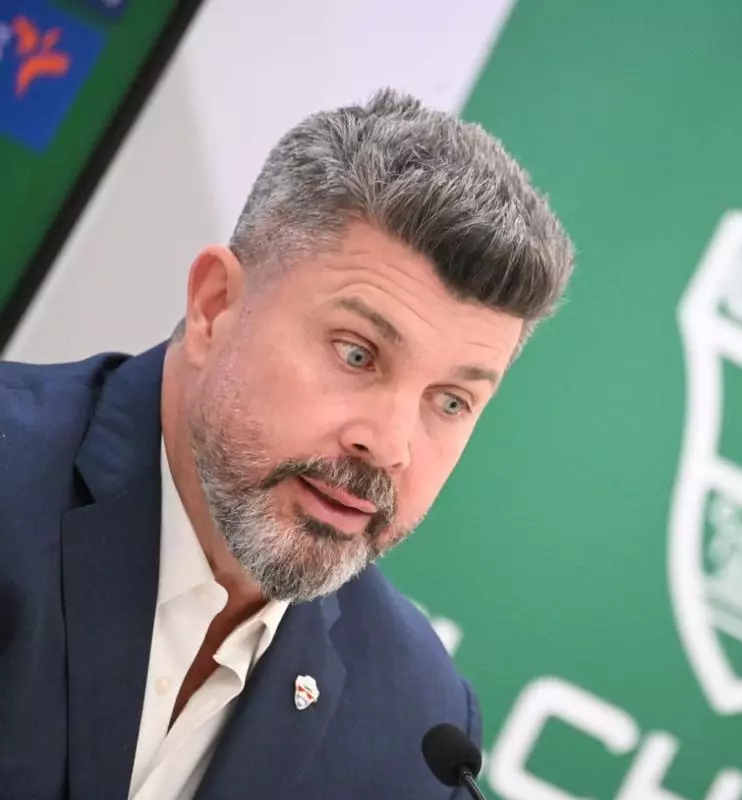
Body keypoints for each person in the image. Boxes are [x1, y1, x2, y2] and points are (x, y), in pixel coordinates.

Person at [0, 89, 574, 799]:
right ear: (214, 307)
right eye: (357, 354)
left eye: (451, 401)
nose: (389, 445)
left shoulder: (415, 722)